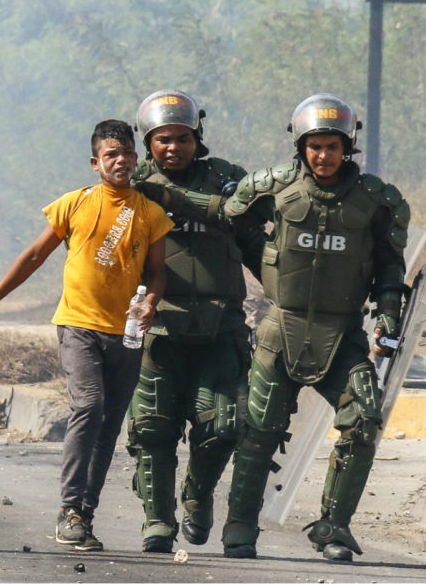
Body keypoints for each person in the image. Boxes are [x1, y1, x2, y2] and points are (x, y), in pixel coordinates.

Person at [0, 119, 173, 552]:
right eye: (111, 155)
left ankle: (84, 515)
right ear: (96, 163)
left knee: (110, 423)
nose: (121, 161)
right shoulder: (75, 204)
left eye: (127, 153)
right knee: (89, 406)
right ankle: (68, 509)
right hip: (79, 325)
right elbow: (36, 254)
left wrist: (151, 302)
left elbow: (156, 273)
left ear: (137, 159)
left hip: (128, 334)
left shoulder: (150, 213)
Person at [219, 94, 410, 562]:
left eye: (332, 146)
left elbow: (390, 266)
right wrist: (261, 263)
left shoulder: (376, 201)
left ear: (349, 146)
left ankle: (333, 528)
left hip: (342, 335)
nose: (323, 156)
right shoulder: (271, 189)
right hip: (278, 331)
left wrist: (389, 313)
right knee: (259, 431)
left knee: (363, 421)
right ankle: (240, 528)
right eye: (314, 146)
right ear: (300, 147)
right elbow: (229, 220)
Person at [125, 90, 264, 553]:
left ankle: (197, 496)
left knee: (222, 424)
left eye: (182, 138)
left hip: (219, 329)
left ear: (197, 136)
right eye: (163, 139)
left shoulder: (228, 180)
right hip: (155, 330)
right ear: (148, 142)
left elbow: (256, 242)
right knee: (153, 428)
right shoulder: (131, 182)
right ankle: (157, 520)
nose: (173, 148)